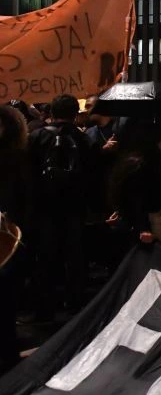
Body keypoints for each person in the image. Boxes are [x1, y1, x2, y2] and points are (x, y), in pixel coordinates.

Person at [26, 94, 92, 322]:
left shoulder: (36, 137)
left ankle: (44, 310)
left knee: (45, 259)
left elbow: (27, 175)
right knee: (75, 257)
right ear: (75, 114)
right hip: (74, 209)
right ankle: (75, 306)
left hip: (44, 209)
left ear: (52, 112)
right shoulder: (83, 139)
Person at [0, 105, 32, 371]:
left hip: (9, 237)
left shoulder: (18, 158)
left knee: (6, 299)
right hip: (11, 237)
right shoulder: (18, 157)